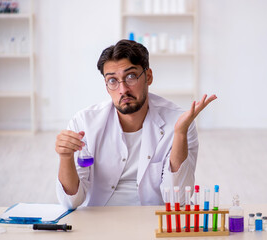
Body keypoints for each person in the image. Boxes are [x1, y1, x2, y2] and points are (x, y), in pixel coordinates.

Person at [55, 39, 216, 209]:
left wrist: (180, 135)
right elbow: (70, 202)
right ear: (106, 85)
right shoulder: (84, 123)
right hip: (99, 218)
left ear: (148, 76)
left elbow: (179, 201)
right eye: (112, 80)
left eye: (130, 76)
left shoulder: (179, 123)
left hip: (153, 220)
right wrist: (65, 157)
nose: (123, 89)